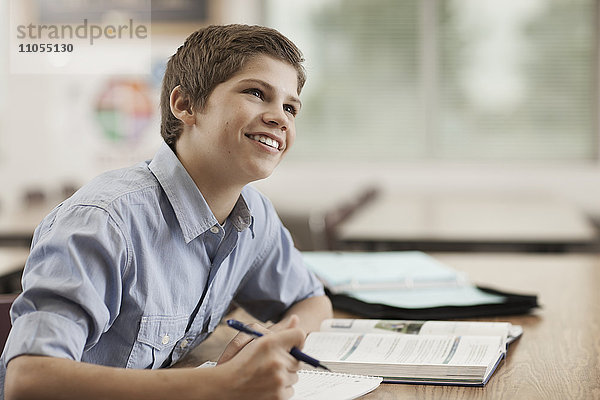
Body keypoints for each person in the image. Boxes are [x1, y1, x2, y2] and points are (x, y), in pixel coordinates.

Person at [1, 24, 333, 400]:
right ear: (185, 105)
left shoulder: (253, 215)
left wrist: (268, 346)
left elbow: (313, 301)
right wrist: (222, 384)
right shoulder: (104, 221)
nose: (280, 117)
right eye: (256, 93)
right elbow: (28, 382)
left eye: (291, 107)